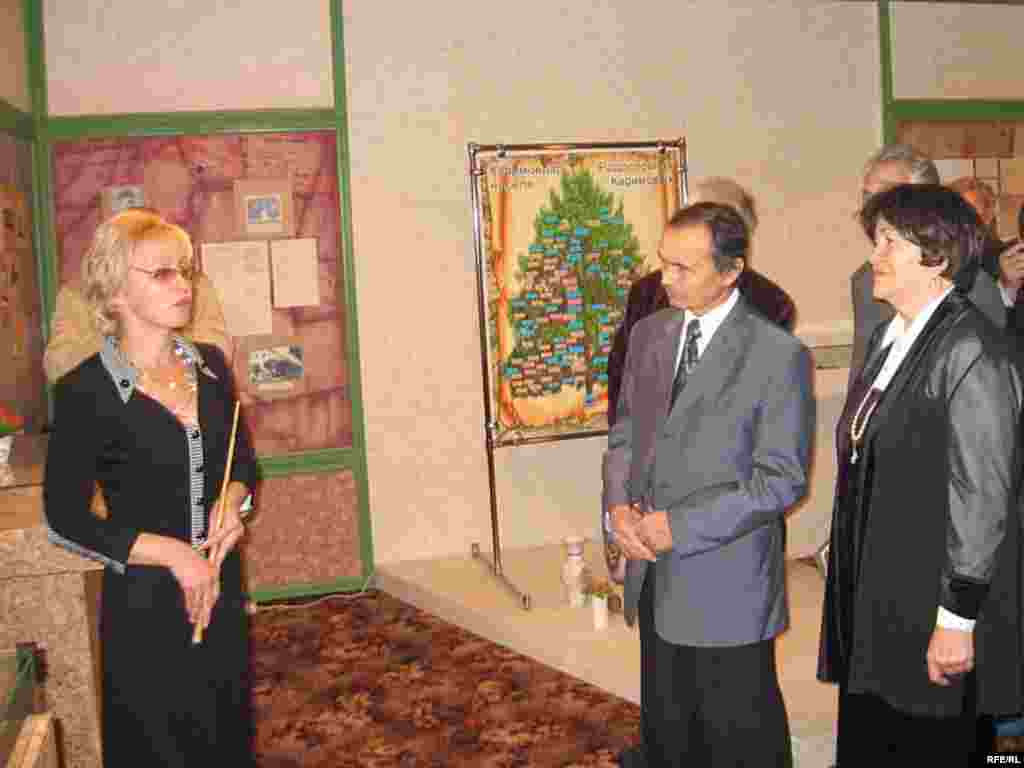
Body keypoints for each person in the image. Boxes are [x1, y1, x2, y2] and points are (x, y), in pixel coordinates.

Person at [43, 209, 257, 767]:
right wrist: (174, 555)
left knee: (224, 735)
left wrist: (232, 503)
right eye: (161, 273)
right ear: (115, 291)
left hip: (220, 583)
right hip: (145, 600)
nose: (183, 285)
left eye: (184, 270)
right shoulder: (84, 392)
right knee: (158, 745)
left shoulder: (212, 367)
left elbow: (243, 462)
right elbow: (64, 516)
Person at [819, 184, 1024, 766]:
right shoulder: (893, 336)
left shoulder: (971, 349)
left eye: (890, 242)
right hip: (882, 591)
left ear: (936, 257)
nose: (874, 256)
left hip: (929, 599)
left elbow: (981, 498)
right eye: (876, 240)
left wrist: (957, 619)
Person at [605, 202, 814, 768]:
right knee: (669, 732)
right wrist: (618, 509)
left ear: (730, 271)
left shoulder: (777, 354)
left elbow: (780, 480)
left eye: (683, 268)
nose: (665, 279)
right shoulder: (649, 334)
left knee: (737, 738)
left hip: (728, 580)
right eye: (663, 263)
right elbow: (625, 433)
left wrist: (678, 527)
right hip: (653, 572)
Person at [849, 145, 1005, 386]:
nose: (871, 207)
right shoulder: (866, 279)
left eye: (887, 194)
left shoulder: (974, 286)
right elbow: (862, 376)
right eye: (868, 196)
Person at [44, 247, 231, 383]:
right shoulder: (79, 292)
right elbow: (58, 366)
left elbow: (217, 352)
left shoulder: (195, 285)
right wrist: (127, 339)